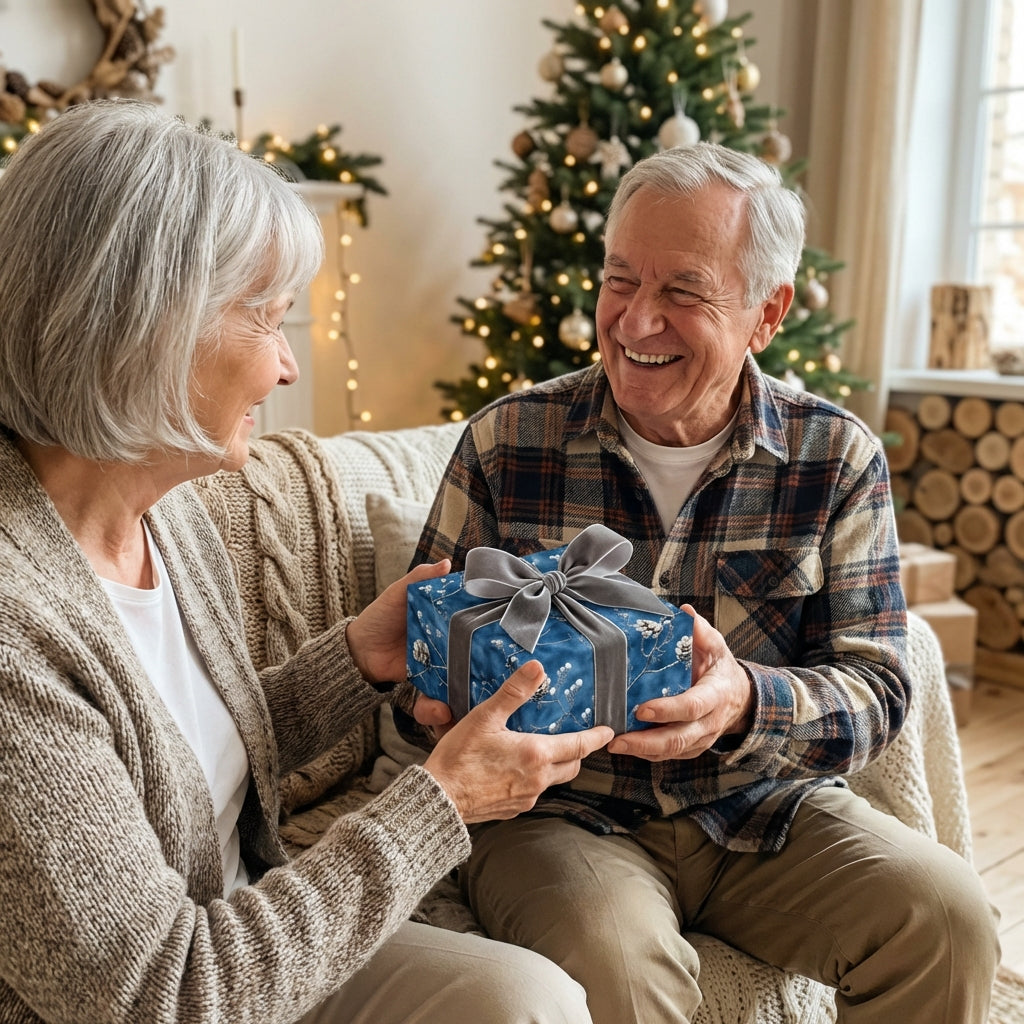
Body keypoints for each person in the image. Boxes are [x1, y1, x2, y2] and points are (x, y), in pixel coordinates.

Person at [0, 100, 614, 1024]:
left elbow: (175, 767)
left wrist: (357, 656)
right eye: (270, 321)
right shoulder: (17, 632)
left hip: (243, 930)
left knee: (529, 1001)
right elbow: (164, 994)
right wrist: (440, 800)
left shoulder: (168, 515)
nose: (289, 369)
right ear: (148, 328)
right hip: (188, 989)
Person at [410, 142, 1001, 1022]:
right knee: (616, 967)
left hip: (762, 808)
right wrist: (440, 696)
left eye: (682, 291)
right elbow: (423, 648)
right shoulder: (508, 441)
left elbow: (881, 684)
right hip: (561, 816)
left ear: (768, 312)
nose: (636, 321)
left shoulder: (833, 458)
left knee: (950, 920)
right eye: (620, 281)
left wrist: (743, 703)